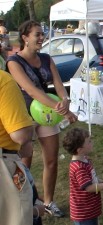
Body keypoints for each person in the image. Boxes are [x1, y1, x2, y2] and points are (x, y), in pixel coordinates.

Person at [6, 20, 78, 218]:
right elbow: (30, 89)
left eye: (42, 34)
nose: (41, 37)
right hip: (23, 114)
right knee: (23, 164)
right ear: (25, 38)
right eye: (37, 34)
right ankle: (22, 202)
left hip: (47, 114)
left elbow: (59, 84)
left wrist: (65, 100)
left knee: (52, 160)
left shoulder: (46, 58)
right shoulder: (13, 62)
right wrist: (62, 109)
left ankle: (48, 202)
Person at [62, 128, 103, 225]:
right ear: (80, 150)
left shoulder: (84, 160)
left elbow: (91, 180)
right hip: (84, 213)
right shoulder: (79, 168)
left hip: (89, 209)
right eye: (89, 142)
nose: (92, 142)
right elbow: (89, 187)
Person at [0, 69, 35, 225]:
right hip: (6, 165)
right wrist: (29, 132)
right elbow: (20, 135)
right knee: (17, 214)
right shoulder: (3, 80)